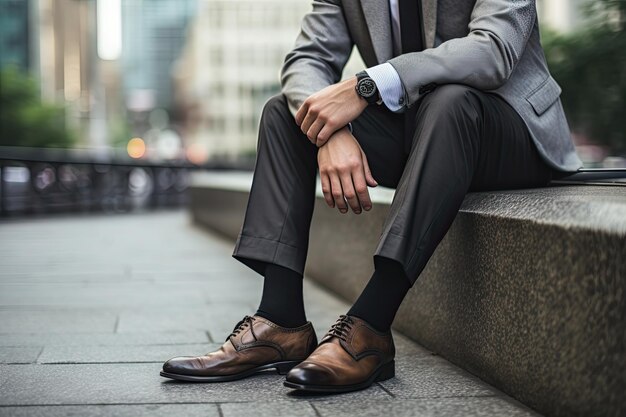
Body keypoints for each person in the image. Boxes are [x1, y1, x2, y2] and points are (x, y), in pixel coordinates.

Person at [160, 0, 582, 393]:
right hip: (421, 133)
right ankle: (280, 321)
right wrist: (332, 130)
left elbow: (492, 52)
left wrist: (364, 86)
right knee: (285, 116)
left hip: (508, 129)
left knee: (450, 102)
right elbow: (307, 60)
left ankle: (371, 326)